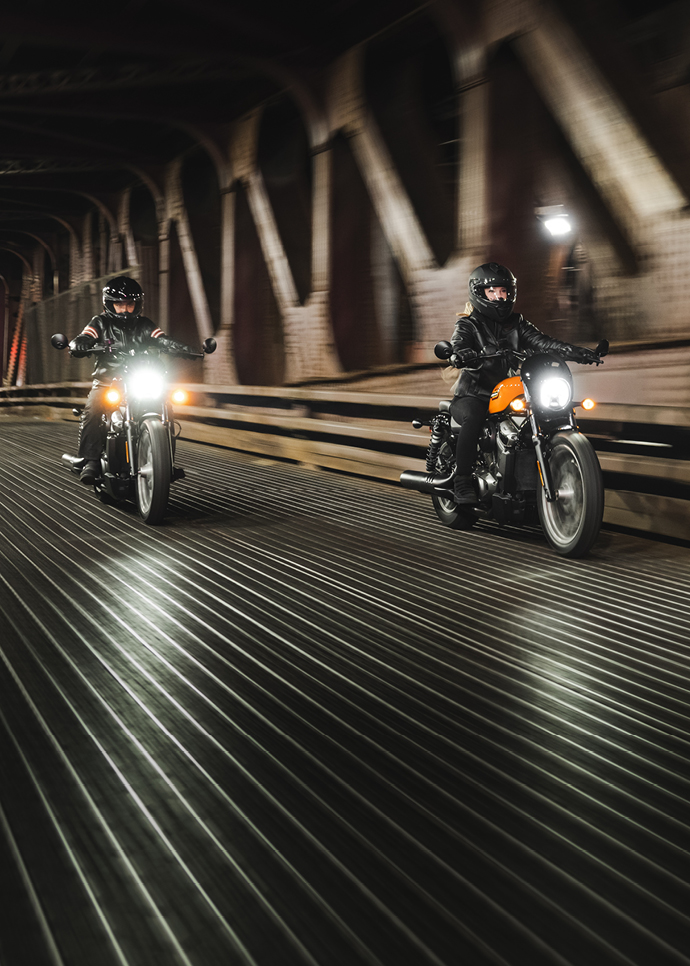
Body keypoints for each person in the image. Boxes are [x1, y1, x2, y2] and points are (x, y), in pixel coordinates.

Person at [448, 262, 600, 504]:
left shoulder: (517, 323)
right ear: (479, 294)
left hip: (507, 391)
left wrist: (577, 352)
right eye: (492, 291)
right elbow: (459, 344)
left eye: (504, 291)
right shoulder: (469, 324)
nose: (499, 296)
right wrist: (460, 354)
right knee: (474, 417)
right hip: (474, 395)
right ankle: (462, 480)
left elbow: (544, 342)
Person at [69, 275, 195, 485]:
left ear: (137, 304)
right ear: (109, 304)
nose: (125, 309)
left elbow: (161, 338)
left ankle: (165, 461)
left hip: (140, 377)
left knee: (167, 406)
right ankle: (91, 460)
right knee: (93, 408)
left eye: (129, 304)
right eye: (119, 304)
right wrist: (79, 343)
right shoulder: (99, 322)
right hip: (109, 381)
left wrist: (184, 348)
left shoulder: (145, 325)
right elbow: (87, 335)